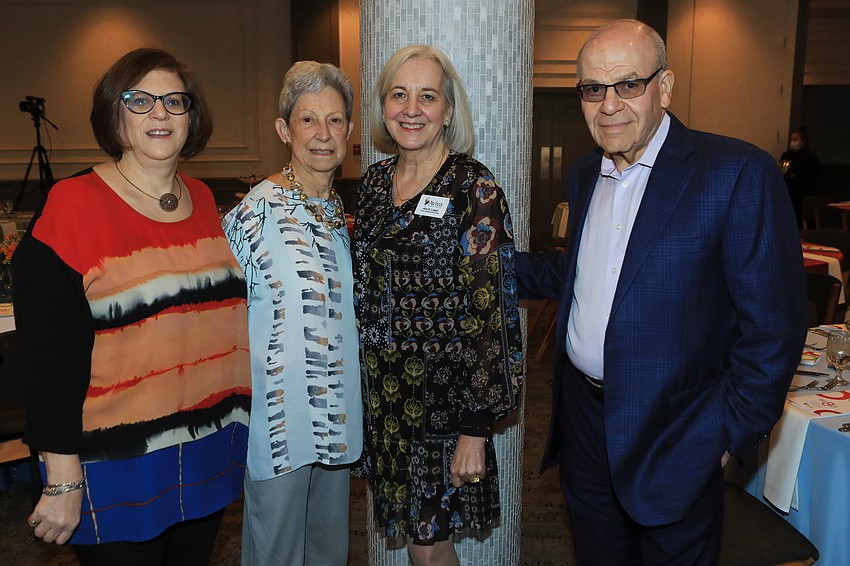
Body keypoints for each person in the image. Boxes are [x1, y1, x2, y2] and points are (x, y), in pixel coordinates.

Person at [515, 19, 807, 565]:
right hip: (584, 424)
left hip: (678, 435)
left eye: (629, 84)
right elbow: (582, 278)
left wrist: (724, 437)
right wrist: (484, 267)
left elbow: (774, 329)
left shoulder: (736, 173)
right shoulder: (583, 174)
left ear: (665, 87)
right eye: (593, 89)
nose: (609, 105)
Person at [12, 48, 251, 564]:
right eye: (139, 100)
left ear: (192, 116)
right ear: (113, 114)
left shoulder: (205, 200)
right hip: (116, 462)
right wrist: (60, 477)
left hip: (205, 450)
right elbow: (47, 360)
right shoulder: (72, 207)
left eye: (174, 101)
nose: (160, 113)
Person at [353, 44, 524, 566]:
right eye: (399, 95)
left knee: (429, 550)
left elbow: (492, 314)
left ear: (448, 110)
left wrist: (475, 428)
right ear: (383, 107)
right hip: (385, 400)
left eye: (427, 96)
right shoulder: (375, 184)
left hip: (446, 405)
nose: (411, 108)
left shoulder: (475, 188)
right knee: (417, 543)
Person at [223, 61, 362, 565]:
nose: (323, 134)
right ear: (284, 130)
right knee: (276, 554)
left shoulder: (343, 213)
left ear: (349, 128)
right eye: (308, 121)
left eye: (335, 120)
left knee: (329, 551)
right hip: (280, 424)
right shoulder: (252, 215)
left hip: (338, 415)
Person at [780, 126, 821, 227]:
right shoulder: (787, 155)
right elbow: (784, 169)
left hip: (803, 193)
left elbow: (813, 176)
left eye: (796, 139)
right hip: (789, 192)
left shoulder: (810, 157)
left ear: (803, 141)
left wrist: (797, 176)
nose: (793, 142)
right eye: (792, 139)